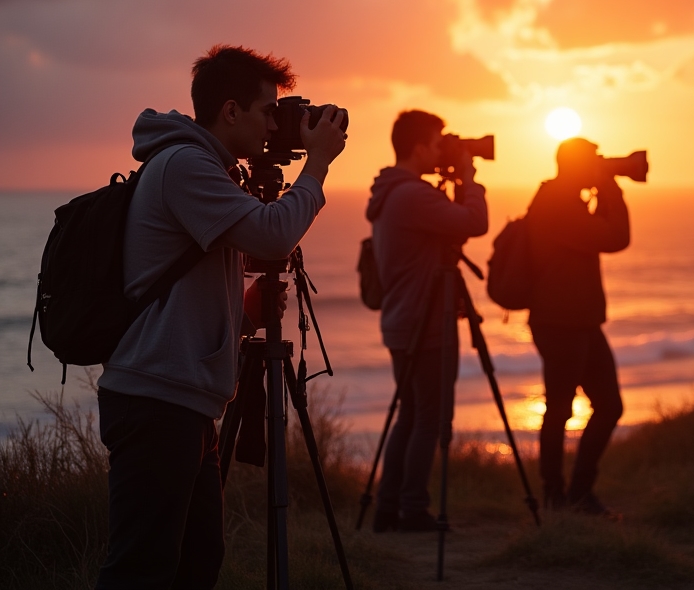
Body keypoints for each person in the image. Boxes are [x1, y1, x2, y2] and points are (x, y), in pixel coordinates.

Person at [95, 45, 348, 589]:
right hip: (156, 399)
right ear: (230, 111)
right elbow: (273, 232)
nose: (273, 125)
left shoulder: (207, 168)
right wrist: (318, 165)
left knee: (195, 562)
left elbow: (188, 281)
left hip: (181, 399)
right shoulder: (186, 166)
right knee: (142, 570)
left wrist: (244, 312)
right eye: (266, 111)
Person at [366, 110, 488, 532]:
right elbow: (475, 222)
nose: (444, 150)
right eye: (438, 143)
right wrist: (469, 178)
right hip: (425, 321)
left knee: (412, 414)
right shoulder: (412, 195)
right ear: (419, 147)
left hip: (403, 319)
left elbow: (448, 231)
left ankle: (389, 507)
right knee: (430, 418)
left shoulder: (392, 192)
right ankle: (413, 510)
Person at [525, 137, 629, 514]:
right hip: (560, 322)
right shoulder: (557, 204)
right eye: (593, 161)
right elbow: (616, 236)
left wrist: (602, 187)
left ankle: (576, 493)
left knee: (607, 406)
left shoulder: (563, 200)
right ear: (575, 166)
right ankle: (558, 495)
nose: (599, 165)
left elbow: (601, 233)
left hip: (578, 320)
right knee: (560, 408)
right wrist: (611, 187)